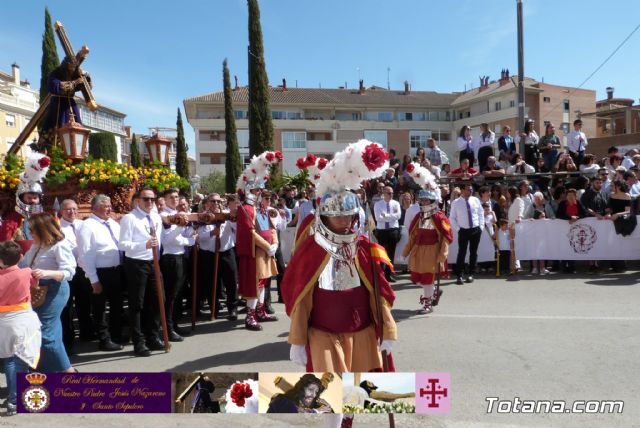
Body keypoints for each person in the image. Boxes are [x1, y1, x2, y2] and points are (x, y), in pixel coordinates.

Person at [283, 140, 397, 373]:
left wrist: (387, 329)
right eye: (338, 216)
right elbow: (301, 297)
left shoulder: (364, 247)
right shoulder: (312, 249)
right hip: (323, 335)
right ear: (324, 217)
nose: (345, 222)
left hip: (362, 332)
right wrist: (297, 339)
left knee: (360, 393)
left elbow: (378, 292)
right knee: (329, 396)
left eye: (349, 216)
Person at [19, 213, 76, 372]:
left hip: (54, 290)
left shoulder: (59, 245)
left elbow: (69, 272)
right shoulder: (37, 244)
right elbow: (25, 264)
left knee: (46, 335)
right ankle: (49, 372)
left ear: (42, 229)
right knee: (45, 333)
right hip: (37, 289)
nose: (30, 233)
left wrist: (46, 273)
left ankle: (68, 372)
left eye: (32, 229)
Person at [235, 151, 281, 331]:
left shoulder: (261, 208)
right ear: (248, 191)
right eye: (256, 190)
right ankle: (250, 316)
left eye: (260, 190)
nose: (259, 193)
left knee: (265, 283)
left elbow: (271, 227)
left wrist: (275, 243)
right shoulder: (245, 208)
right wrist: (268, 246)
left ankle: (261, 311)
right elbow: (250, 233)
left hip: (267, 252)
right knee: (255, 285)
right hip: (256, 253)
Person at [118, 188, 164, 357]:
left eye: (153, 199)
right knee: (137, 303)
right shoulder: (129, 219)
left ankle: (153, 336)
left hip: (154, 262)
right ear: (138, 200)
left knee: (158, 299)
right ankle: (138, 341)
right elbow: (122, 244)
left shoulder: (156, 216)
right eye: (146, 199)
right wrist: (142, 245)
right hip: (136, 263)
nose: (150, 202)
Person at [76, 194, 125, 352]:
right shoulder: (88, 226)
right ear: (95, 208)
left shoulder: (113, 224)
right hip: (99, 273)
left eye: (110, 205)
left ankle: (116, 334)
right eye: (105, 206)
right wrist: (94, 279)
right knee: (100, 308)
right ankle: (104, 339)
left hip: (116, 271)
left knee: (117, 305)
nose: (109, 208)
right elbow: (85, 255)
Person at [0, 241, 42, 417]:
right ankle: (16, 398)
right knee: (22, 359)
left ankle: (12, 398)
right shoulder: (26, 272)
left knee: (9, 360)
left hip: (3, 322)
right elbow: (35, 284)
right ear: (20, 257)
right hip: (23, 320)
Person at [402, 187, 453, 314]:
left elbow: (445, 238)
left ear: (432, 201)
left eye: (426, 200)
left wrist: (443, 254)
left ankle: (428, 304)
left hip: (432, 251)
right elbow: (413, 236)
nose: (423, 203)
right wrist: (406, 251)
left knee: (427, 278)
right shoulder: (419, 217)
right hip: (418, 251)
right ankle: (434, 291)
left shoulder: (439, 217)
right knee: (418, 278)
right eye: (422, 200)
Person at [160, 189, 196, 341]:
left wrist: (189, 235)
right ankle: (168, 328)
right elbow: (167, 240)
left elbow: (185, 237)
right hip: (170, 258)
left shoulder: (179, 214)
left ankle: (174, 324)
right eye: (171, 197)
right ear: (165, 200)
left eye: (176, 196)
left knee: (178, 294)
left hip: (180, 256)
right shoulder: (164, 217)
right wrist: (187, 238)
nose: (175, 199)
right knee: (171, 295)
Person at [58, 199, 94, 350]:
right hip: (67, 269)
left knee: (85, 301)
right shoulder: (57, 227)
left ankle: (87, 333)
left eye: (74, 209)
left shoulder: (83, 224)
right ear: (61, 211)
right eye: (68, 209)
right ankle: (68, 338)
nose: (72, 212)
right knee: (67, 307)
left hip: (83, 268)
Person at [0, 153, 50, 252]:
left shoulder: (46, 219)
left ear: (40, 199)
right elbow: (4, 246)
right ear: (22, 199)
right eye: (29, 197)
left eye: (35, 197)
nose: (32, 200)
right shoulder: (12, 220)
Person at [449, 182, 484, 284]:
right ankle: (459, 275)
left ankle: (471, 274)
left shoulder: (476, 200)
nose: (470, 191)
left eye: (471, 189)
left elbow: (480, 213)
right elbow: (452, 218)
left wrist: (480, 227)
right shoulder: (456, 202)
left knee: (473, 252)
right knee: (462, 252)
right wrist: (458, 229)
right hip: (463, 230)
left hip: (475, 229)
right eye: (468, 189)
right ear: (462, 190)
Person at [374, 186, 401, 282]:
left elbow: (398, 216)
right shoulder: (378, 204)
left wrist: (386, 215)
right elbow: (378, 218)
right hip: (382, 231)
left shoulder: (396, 203)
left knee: (391, 254)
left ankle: (388, 274)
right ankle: (381, 274)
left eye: (392, 193)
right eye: (389, 193)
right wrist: (391, 217)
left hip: (393, 230)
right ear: (384, 193)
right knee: (381, 253)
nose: (391, 195)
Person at [267, 374, 333, 413]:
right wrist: (317, 411)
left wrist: (328, 410)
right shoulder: (282, 401)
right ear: (301, 388)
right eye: (310, 389)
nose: (314, 395)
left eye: (316, 392)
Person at [556, 189, 587, 274]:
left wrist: (576, 218)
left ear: (575, 196)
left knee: (573, 246)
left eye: (572, 195)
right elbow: (558, 215)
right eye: (568, 195)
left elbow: (584, 214)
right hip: (563, 229)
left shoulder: (579, 203)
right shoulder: (562, 204)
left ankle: (572, 266)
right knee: (564, 246)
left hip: (576, 230)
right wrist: (569, 218)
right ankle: (563, 266)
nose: (570, 197)